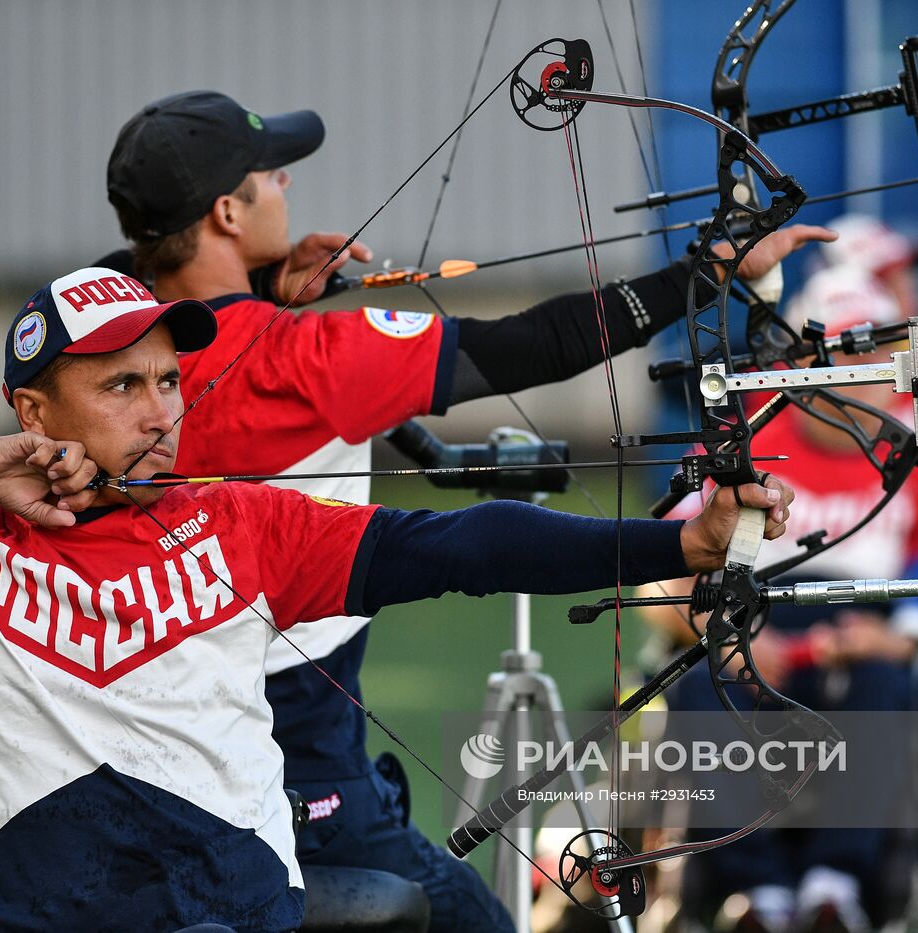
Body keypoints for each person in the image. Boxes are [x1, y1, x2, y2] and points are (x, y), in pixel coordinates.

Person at [0, 268, 798, 933]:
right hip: (33, 914)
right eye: (120, 387)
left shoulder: (238, 520)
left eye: (167, 382)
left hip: (233, 911)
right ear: (32, 407)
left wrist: (676, 541)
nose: (159, 413)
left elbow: (458, 546)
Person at [96, 89, 835, 931]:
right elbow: (529, 346)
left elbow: (120, 285)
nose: (288, 186)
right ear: (227, 211)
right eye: (271, 176)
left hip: (132, 732)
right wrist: (704, 275)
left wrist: (254, 283)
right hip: (291, 737)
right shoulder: (299, 357)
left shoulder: (98, 352)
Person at [639, 269, 918, 933]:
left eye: (872, 354)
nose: (856, 371)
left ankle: (834, 887)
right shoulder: (733, 455)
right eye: (839, 355)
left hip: (859, 646)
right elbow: (662, 576)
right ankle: (754, 892)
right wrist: (724, 641)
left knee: (886, 683)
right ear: (800, 362)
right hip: (748, 637)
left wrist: (896, 637)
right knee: (700, 689)